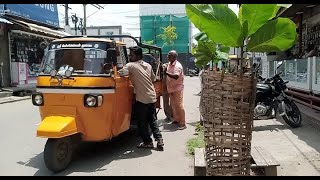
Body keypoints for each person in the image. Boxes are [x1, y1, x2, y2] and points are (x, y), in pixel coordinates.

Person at [118, 46, 164, 148]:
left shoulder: (130, 65)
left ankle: (148, 142)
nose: (129, 56)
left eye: (131, 55)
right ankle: (159, 139)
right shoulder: (148, 65)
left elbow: (120, 73)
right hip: (152, 96)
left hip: (142, 98)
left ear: (138, 56)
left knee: (141, 122)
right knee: (152, 120)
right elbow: (153, 78)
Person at [164, 50, 186, 130]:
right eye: (168, 55)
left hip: (177, 88)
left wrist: (166, 73)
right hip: (171, 88)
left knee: (179, 105)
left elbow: (176, 76)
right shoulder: (170, 64)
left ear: (174, 57)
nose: (167, 56)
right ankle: (176, 119)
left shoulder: (177, 66)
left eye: (169, 55)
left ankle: (182, 123)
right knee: (173, 105)